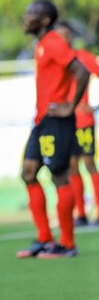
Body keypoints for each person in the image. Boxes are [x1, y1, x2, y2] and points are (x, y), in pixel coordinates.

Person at [17, 1, 89, 258]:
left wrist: (70, 106)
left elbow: (82, 71)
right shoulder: (42, 44)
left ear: (45, 20)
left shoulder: (54, 41)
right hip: (42, 120)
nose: (26, 18)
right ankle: (44, 239)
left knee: (59, 175)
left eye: (32, 13)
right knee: (28, 173)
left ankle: (67, 244)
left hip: (57, 119)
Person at [56, 21, 99, 226]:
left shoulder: (84, 57)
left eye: (65, 34)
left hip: (83, 120)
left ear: (71, 36)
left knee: (89, 162)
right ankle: (80, 213)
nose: (62, 38)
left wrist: (95, 106)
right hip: (65, 122)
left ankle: (98, 210)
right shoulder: (54, 59)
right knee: (71, 166)